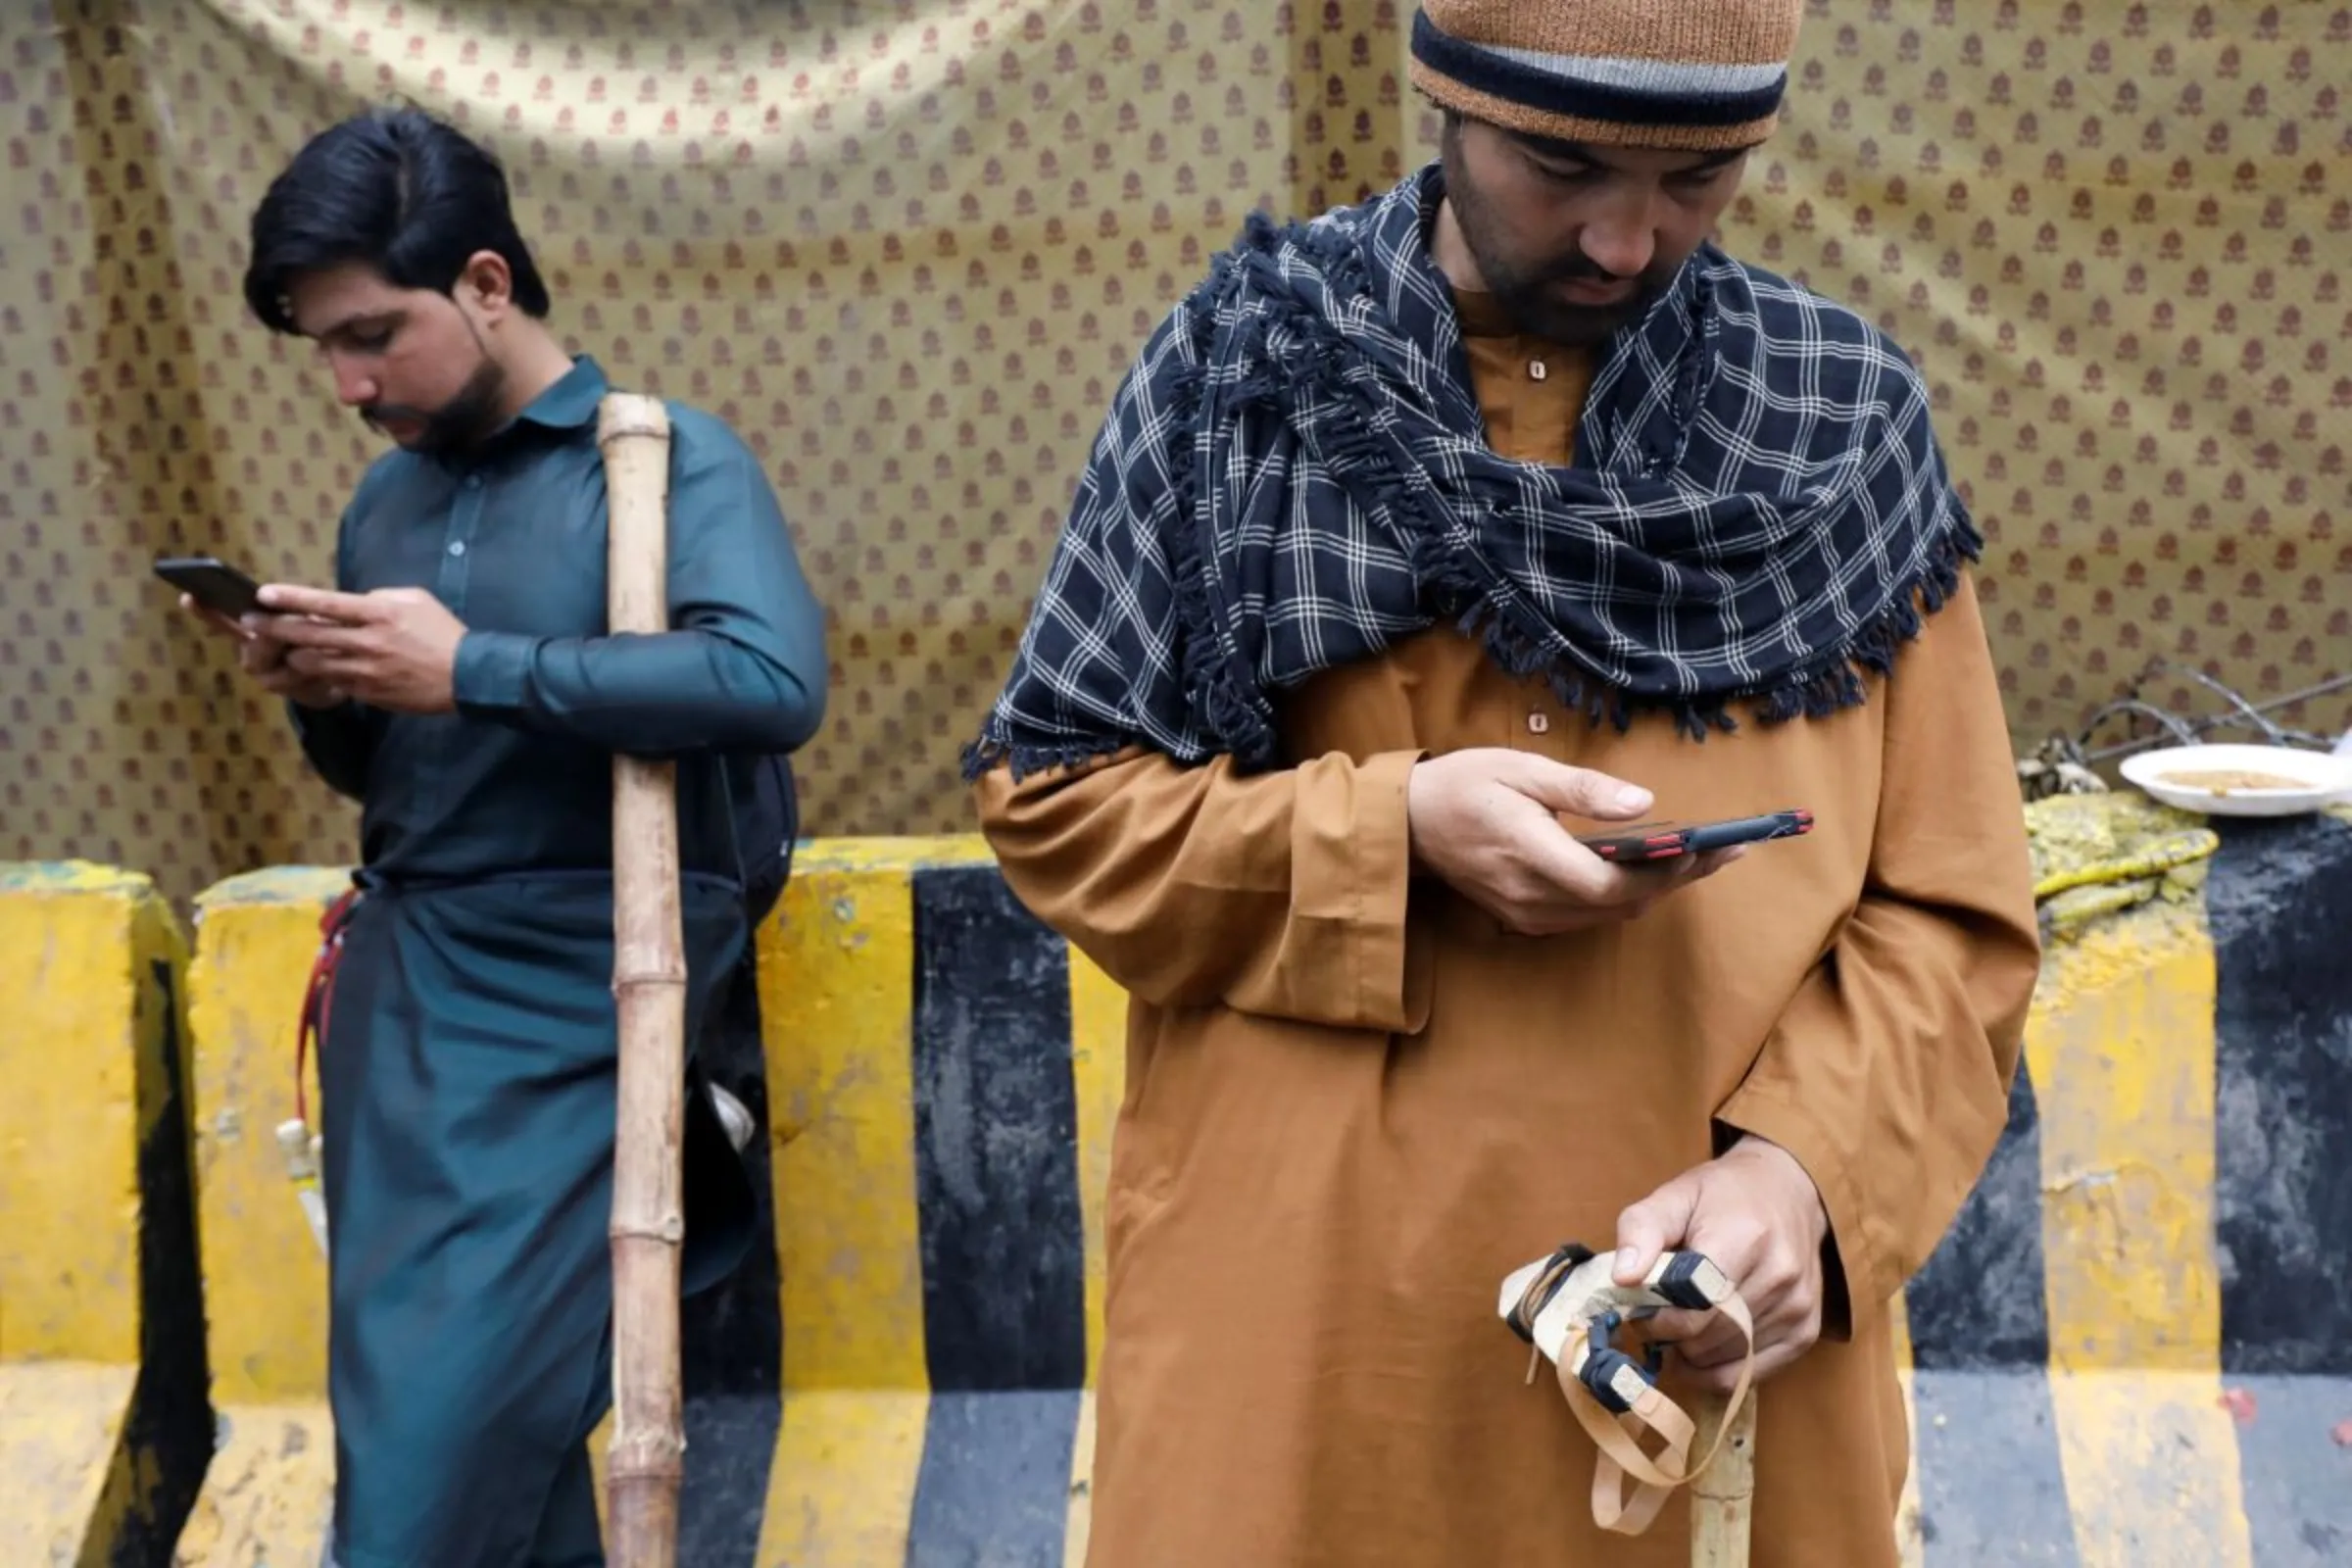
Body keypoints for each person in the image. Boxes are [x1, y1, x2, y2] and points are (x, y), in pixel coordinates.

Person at [966, 2, 2039, 1563]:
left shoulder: (1840, 422)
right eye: (1564, 163)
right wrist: (1384, 832)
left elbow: (1954, 911)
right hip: (1309, 1356)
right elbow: (1059, 801)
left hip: (1700, 1351)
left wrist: (1812, 1181)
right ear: (1443, 99)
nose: (1624, 239)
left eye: (1699, 178)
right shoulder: (1244, 378)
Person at [183, 108, 828, 1567]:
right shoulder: (385, 500)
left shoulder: (656, 460)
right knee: (482, 1478)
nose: (349, 383)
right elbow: (399, 783)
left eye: (373, 334)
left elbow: (770, 685)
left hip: (592, 1013)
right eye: (322, 349)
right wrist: (318, 691)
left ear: (485, 281)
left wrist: (468, 663)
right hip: (404, 1020)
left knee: (431, 1490)